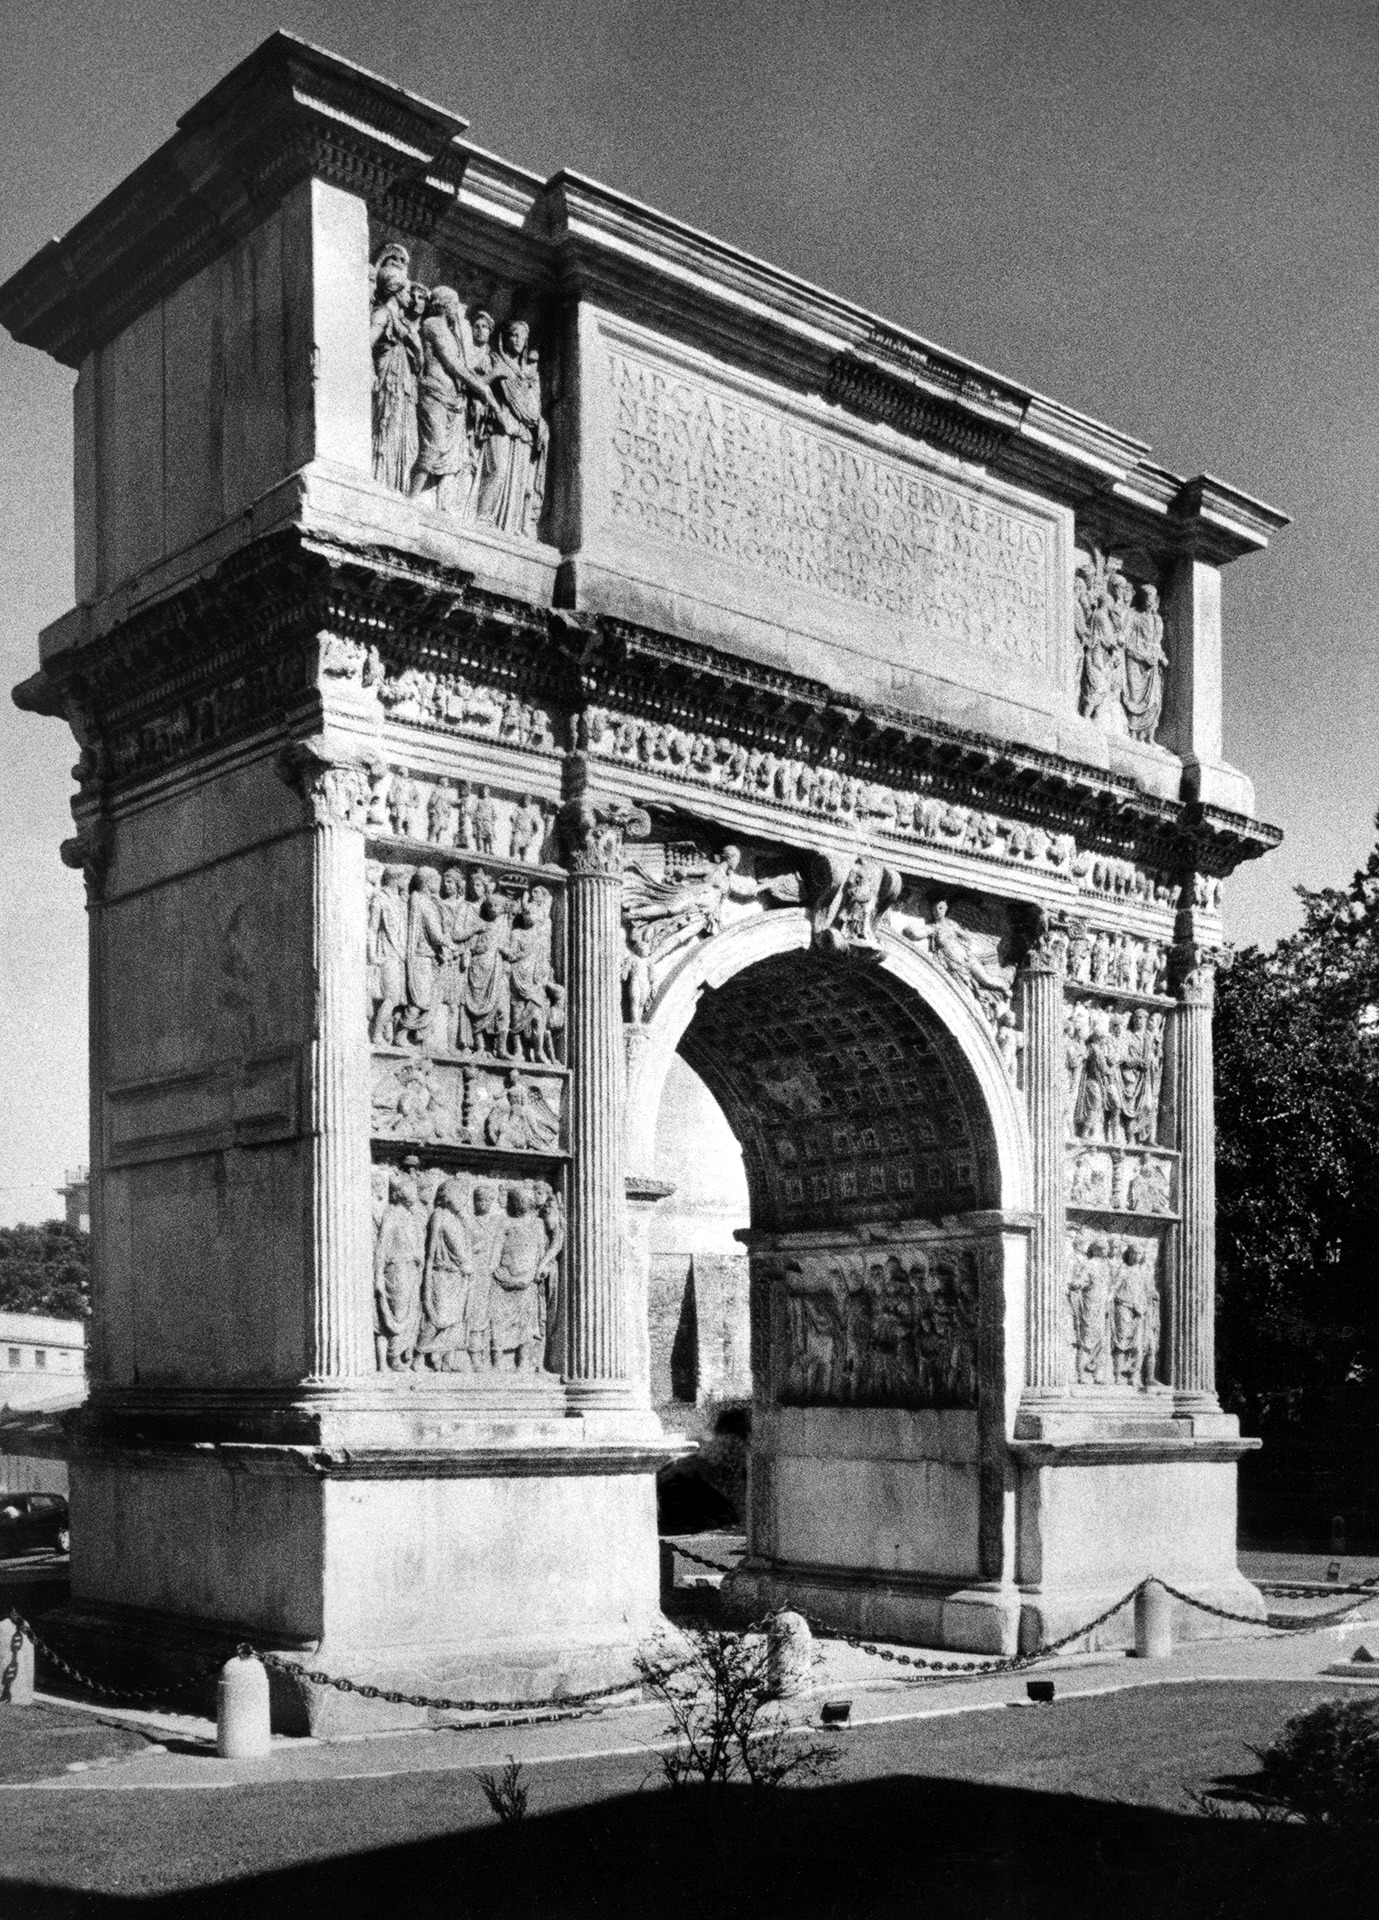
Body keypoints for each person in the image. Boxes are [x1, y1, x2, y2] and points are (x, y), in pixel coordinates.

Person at [409, 288, 497, 513]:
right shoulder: (433, 325)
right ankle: (410, 499)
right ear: (443, 304)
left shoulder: (450, 330)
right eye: (454, 304)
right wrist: (481, 388)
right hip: (434, 393)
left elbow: (463, 362)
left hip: (452, 400)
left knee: (450, 456)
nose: (457, 309)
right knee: (434, 446)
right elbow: (452, 364)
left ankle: (441, 506)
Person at [474, 320, 548, 537]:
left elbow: (534, 405)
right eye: (512, 335)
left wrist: (539, 421)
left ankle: (510, 527)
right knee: (497, 469)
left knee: (518, 481)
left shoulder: (528, 373)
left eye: (521, 337)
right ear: (503, 338)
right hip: (500, 423)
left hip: (523, 429)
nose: (517, 340)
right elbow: (476, 384)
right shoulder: (493, 360)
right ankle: (482, 517)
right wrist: (495, 374)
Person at [370, 245, 422, 490]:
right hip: (389, 386)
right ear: (395, 289)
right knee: (388, 433)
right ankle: (384, 484)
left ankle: (396, 487)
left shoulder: (403, 322)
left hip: (403, 390)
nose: (410, 297)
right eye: (406, 291)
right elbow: (367, 341)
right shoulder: (382, 314)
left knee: (405, 439)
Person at [414, 1178, 474, 1370]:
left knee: (455, 1320)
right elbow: (430, 1252)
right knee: (437, 1318)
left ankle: (448, 1361)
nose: (464, 1200)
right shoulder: (439, 1215)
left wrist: (466, 1218)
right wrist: (427, 1280)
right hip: (441, 1275)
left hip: (458, 1277)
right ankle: (418, 1355)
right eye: (460, 1196)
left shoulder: (459, 1220)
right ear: (447, 1196)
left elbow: (472, 1243)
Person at [373, 1168, 425, 1370]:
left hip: (411, 1270)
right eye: (410, 1191)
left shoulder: (411, 1216)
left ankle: (400, 1353)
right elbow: (382, 1248)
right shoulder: (392, 1214)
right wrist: (378, 1275)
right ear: (400, 1193)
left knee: (411, 1311)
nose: (414, 1195)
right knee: (399, 1311)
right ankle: (393, 1356)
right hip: (397, 1270)